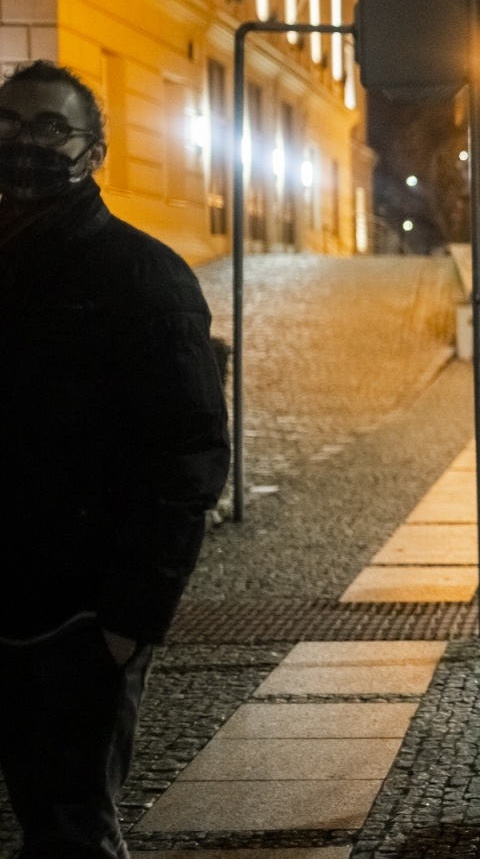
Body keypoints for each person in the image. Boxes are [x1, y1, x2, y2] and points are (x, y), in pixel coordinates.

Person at [0, 60, 231, 857]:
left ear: (93, 152)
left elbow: (191, 455)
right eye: (8, 123)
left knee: (70, 829)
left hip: (79, 618)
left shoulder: (143, 277)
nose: (22, 142)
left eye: (48, 128)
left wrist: (131, 622)